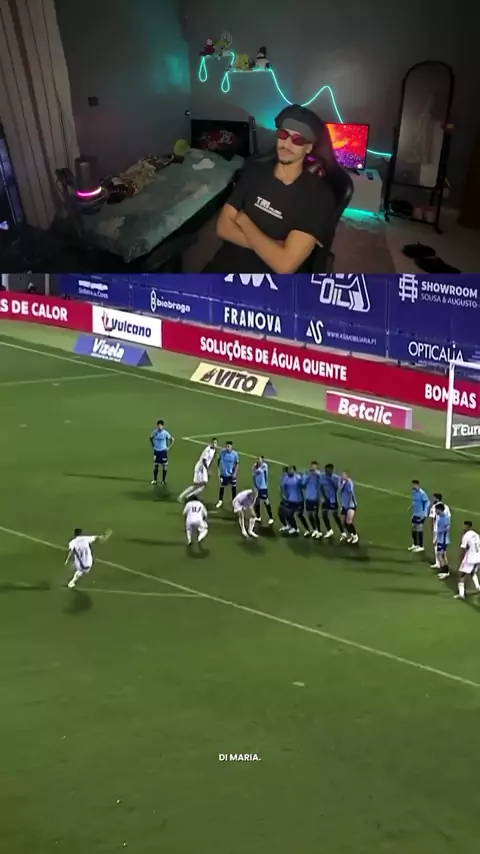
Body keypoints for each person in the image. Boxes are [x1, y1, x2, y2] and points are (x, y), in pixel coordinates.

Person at [205, 104, 337, 274]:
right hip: (224, 267)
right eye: (283, 134)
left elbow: (284, 265)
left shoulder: (318, 196)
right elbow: (222, 228)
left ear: (309, 147)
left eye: (298, 140)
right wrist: (273, 247)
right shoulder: (254, 170)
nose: (287, 144)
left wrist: (244, 221)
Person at [454, 520, 480, 600]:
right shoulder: (476, 534)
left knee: (461, 574)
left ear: (467, 527)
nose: (462, 527)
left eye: (464, 526)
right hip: (478, 557)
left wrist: (460, 560)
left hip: (471, 559)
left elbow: (463, 549)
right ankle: (478, 587)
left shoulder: (466, 536)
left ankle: (461, 594)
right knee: (472, 572)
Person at [319, 464, 343, 539]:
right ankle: (329, 530)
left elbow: (338, 488)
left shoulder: (336, 478)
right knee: (324, 515)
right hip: (325, 499)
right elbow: (321, 487)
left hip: (333, 499)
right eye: (326, 470)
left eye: (329, 470)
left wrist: (332, 481)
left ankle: (343, 532)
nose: (327, 472)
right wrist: (324, 497)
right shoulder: (322, 476)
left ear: (332, 470)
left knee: (335, 516)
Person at [429, 492, 451, 570]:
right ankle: (442, 566)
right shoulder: (446, 507)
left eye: (434, 498)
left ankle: (438, 563)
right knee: (442, 551)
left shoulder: (434, 507)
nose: (432, 499)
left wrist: (431, 528)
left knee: (438, 548)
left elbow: (432, 518)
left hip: (438, 530)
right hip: (442, 532)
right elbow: (449, 518)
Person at [150, 420, 174, 486]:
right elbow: (151, 438)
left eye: (160, 426)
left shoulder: (165, 433)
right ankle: (155, 480)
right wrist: (153, 446)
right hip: (156, 451)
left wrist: (168, 447)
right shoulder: (155, 432)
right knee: (155, 465)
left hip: (163, 451)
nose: (159, 427)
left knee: (164, 465)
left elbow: (172, 439)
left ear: (163, 426)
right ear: (157, 426)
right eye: (158, 426)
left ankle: (163, 480)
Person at [301, 462, 322, 539]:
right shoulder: (307, 475)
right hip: (308, 498)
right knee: (309, 515)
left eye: (315, 467)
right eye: (312, 467)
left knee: (315, 515)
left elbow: (320, 477)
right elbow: (303, 484)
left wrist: (314, 473)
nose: (313, 468)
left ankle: (319, 531)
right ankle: (314, 529)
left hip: (315, 498)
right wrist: (308, 476)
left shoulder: (318, 475)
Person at [216, 441, 239, 508]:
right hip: (224, 474)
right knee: (222, 487)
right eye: (226, 446)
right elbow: (218, 462)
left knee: (233, 488)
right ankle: (220, 501)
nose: (227, 447)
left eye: (228, 446)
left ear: (231, 446)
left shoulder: (235, 454)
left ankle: (234, 502)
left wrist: (235, 473)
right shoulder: (222, 453)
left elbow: (237, 464)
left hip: (231, 475)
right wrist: (219, 471)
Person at [409, 479, 430, 552]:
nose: (413, 486)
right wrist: (411, 507)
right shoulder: (414, 492)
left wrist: (425, 514)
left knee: (419, 529)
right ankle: (415, 544)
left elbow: (427, 502)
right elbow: (414, 501)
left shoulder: (422, 493)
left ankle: (421, 546)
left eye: (414, 485)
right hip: (415, 513)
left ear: (417, 485)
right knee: (413, 528)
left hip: (421, 514)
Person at [252, 456, 274, 525]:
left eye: (259, 459)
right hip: (257, 487)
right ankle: (258, 517)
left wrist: (255, 468)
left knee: (266, 501)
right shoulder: (254, 466)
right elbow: (253, 477)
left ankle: (271, 518)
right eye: (257, 459)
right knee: (257, 501)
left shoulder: (264, 466)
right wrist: (254, 486)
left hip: (263, 487)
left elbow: (259, 472)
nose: (258, 460)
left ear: (262, 460)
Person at [339, 472, 359, 544]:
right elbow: (340, 491)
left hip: (350, 505)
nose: (342, 476)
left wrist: (351, 503)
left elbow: (350, 492)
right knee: (343, 522)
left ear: (347, 476)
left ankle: (355, 536)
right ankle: (351, 535)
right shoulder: (342, 482)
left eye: (344, 475)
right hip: (344, 505)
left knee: (349, 522)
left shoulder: (349, 482)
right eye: (342, 475)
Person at [434, 503, 450, 578]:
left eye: (436, 510)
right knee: (442, 555)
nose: (435, 511)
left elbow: (446, 528)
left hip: (443, 540)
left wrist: (438, 535)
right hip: (441, 539)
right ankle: (445, 571)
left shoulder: (444, 518)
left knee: (440, 555)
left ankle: (444, 571)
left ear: (440, 510)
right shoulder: (441, 517)